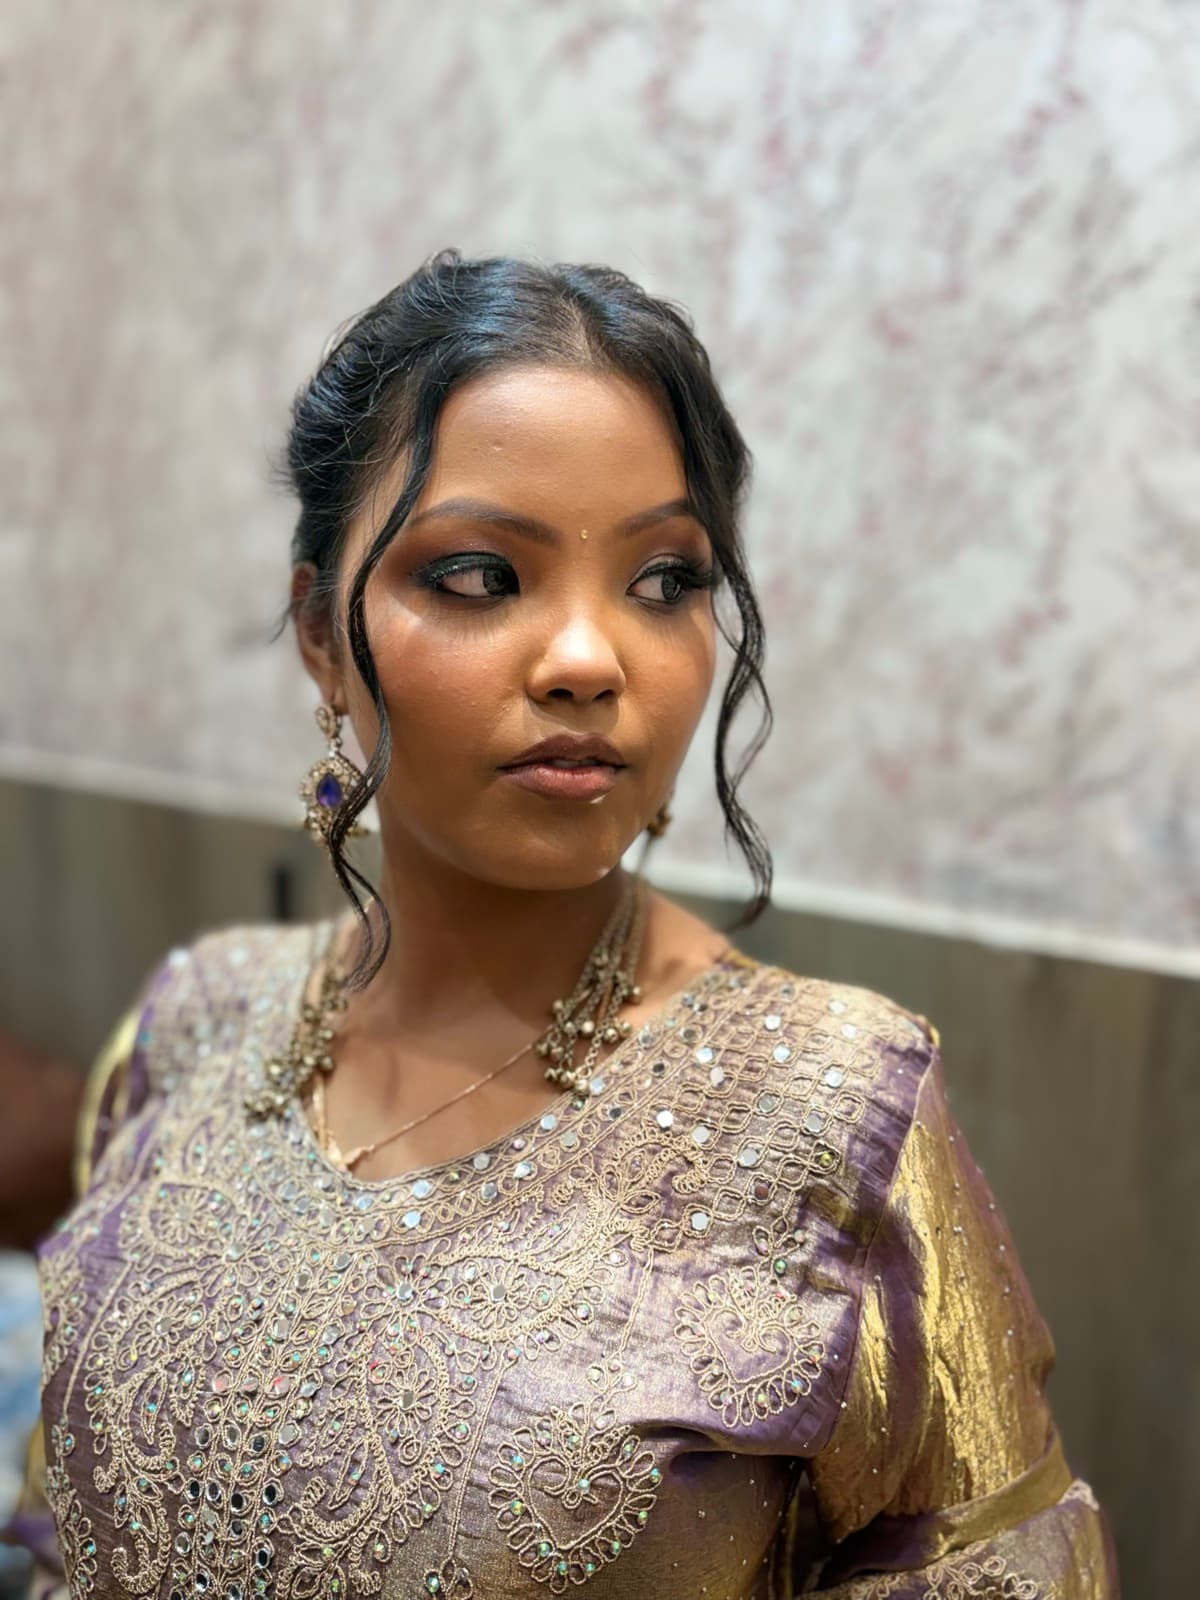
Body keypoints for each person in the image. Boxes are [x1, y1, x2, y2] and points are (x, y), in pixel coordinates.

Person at [5, 252, 1117, 1597]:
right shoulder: (193, 1027)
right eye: (480, 575)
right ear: (317, 627)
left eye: (664, 580)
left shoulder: (831, 1115)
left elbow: (999, 1568)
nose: (590, 657)